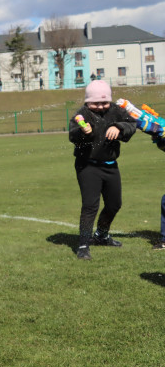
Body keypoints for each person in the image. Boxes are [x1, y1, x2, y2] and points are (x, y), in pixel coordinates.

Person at [68, 80, 135, 260]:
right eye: (95, 103)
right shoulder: (81, 115)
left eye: (104, 102)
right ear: (88, 101)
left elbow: (132, 124)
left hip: (110, 165)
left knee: (114, 204)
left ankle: (102, 236)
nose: (100, 106)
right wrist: (85, 133)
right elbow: (73, 136)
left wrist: (118, 127)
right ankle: (83, 244)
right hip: (87, 166)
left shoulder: (116, 111)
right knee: (90, 205)